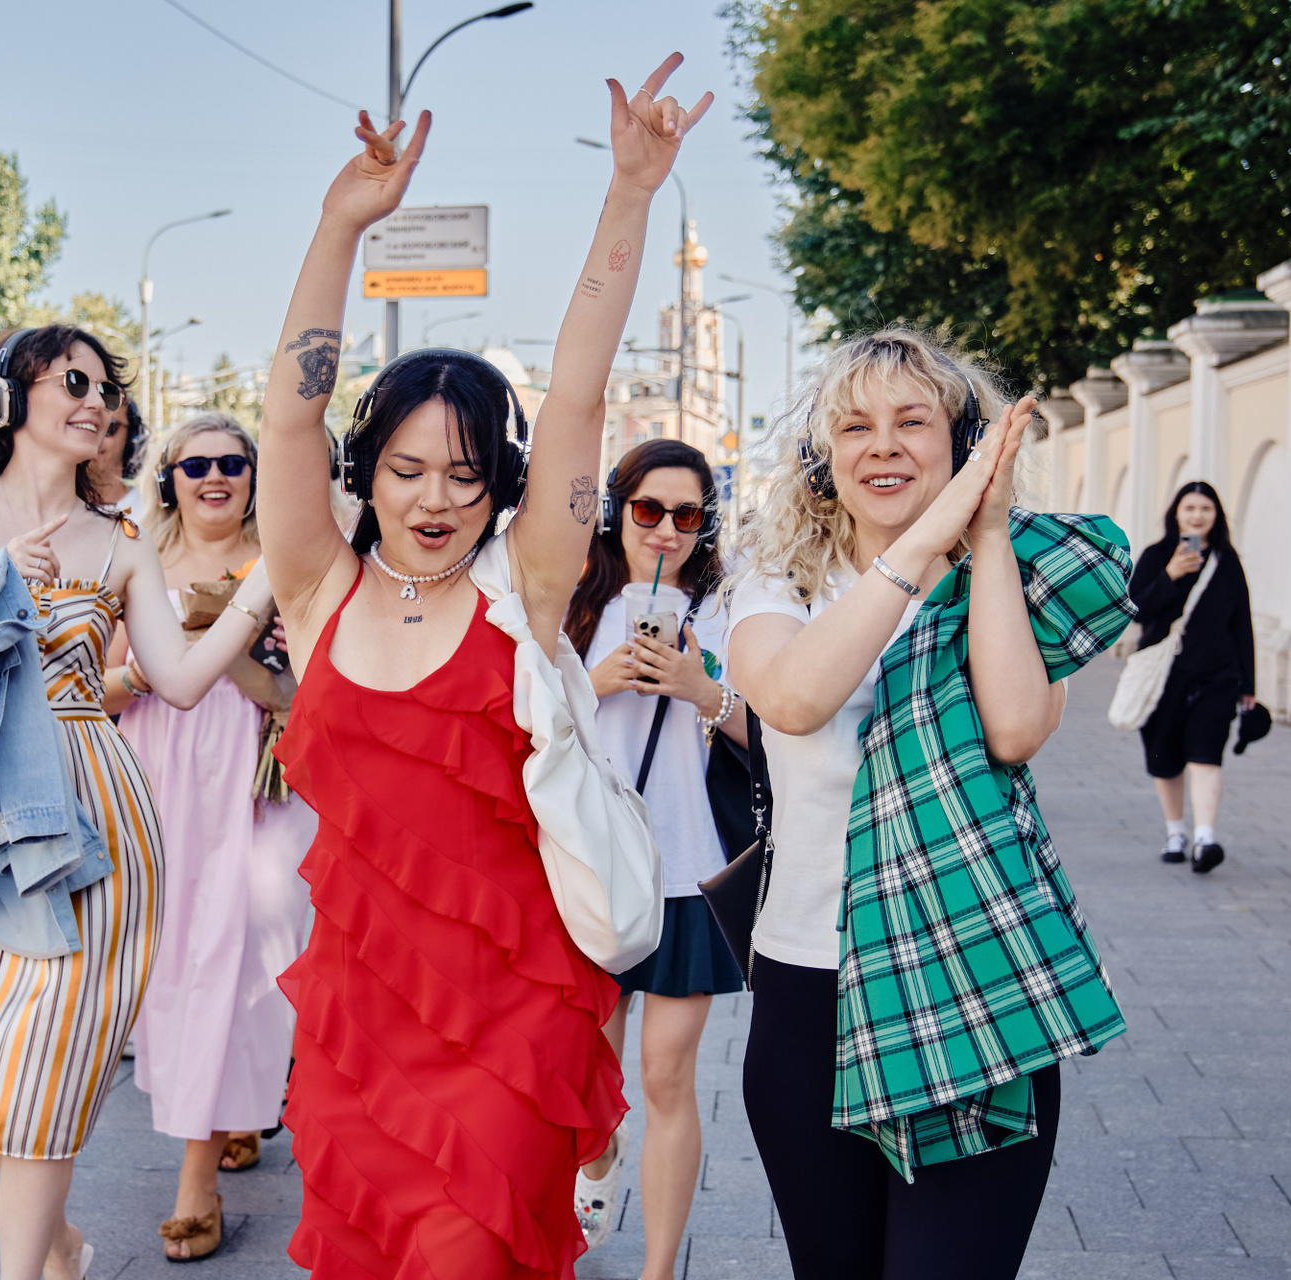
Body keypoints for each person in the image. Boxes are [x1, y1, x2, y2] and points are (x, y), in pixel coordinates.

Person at [253, 60, 710, 1278]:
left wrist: (630, 194)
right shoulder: (317, 587)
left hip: (511, 1021)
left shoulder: (527, 588)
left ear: (496, 485)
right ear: (368, 475)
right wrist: (340, 224)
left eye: (464, 474)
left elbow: (577, 398)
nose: (435, 499)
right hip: (356, 1027)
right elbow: (288, 418)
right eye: (406, 471)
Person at [726, 327, 1132, 1279]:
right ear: (823, 457)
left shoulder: (1012, 576)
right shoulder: (781, 584)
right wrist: (918, 544)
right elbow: (790, 699)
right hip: (810, 993)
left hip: (969, 978)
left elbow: (1016, 728)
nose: (884, 446)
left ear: (964, 442)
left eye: (912, 421)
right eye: (855, 426)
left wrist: (982, 536)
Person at [0, 325, 279, 1280]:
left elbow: (180, 681)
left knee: (44, 1053)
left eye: (106, 389)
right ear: (5, 395)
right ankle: (57, 1243)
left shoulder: (122, 544)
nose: (96, 401)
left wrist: (265, 584)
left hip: (94, 820)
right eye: (73, 381)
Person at [98, 412, 316, 1261]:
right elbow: (93, 688)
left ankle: (198, 1185)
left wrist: (240, 644)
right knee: (177, 966)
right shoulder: (136, 559)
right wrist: (147, 669)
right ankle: (234, 1113)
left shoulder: (284, 562)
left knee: (246, 958)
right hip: (160, 781)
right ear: (169, 479)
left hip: (257, 785)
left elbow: (299, 695)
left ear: (256, 476)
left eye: (232, 463)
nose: (214, 476)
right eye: (196, 466)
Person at [565, 439, 747, 1270]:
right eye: (648, 509)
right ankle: (598, 1159)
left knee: (667, 1076)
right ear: (617, 511)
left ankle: (659, 1267)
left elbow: (772, 730)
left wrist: (701, 688)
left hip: (687, 868)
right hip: (594, 868)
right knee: (590, 1076)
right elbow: (520, 721)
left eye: (687, 514)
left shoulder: (726, 611)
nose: (666, 529)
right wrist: (594, 681)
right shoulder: (572, 603)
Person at [1128, 481, 1257, 874]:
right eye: (1190, 508)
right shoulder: (1156, 556)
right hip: (1163, 678)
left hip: (1217, 678)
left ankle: (1205, 838)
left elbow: (1242, 624)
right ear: (1176, 514)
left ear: (1216, 515)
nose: (1198, 516)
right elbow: (1137, 610)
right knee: (1164, 759)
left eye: (1205, 508)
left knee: (1206, 755)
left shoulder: (1226, 561)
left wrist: (1249, 685)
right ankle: (1175, 832)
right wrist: (1170, 574)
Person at [91, 394, 146, 518]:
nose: (95, 438)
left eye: (109, 427)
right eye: (88, 426)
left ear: (131, 438)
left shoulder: (149, 515)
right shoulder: (54, 509)